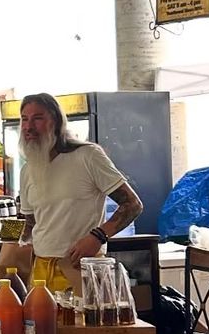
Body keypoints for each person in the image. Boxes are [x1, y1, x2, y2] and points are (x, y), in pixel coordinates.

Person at [17, 93, 143, 293]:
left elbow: (132, 204)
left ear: (56, 122)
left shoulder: (88, 156)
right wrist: (10, 242)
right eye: (24, 119)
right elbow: (30, 223)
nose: (28, 127)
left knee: (82, 324)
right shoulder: (27, 170)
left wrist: (97, 236)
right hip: (40, 272)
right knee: (41, 325)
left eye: (38, 118)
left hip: (80, 268)